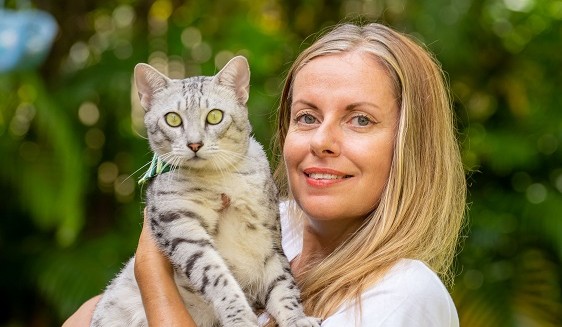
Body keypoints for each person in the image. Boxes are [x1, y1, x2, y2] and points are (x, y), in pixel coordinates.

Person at [64, 21, 466, 326]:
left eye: (359, 120)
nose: (321, 141)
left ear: (410, 144)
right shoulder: (277, 220)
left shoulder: (405, 294)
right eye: (307, 116)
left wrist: (152, 273)